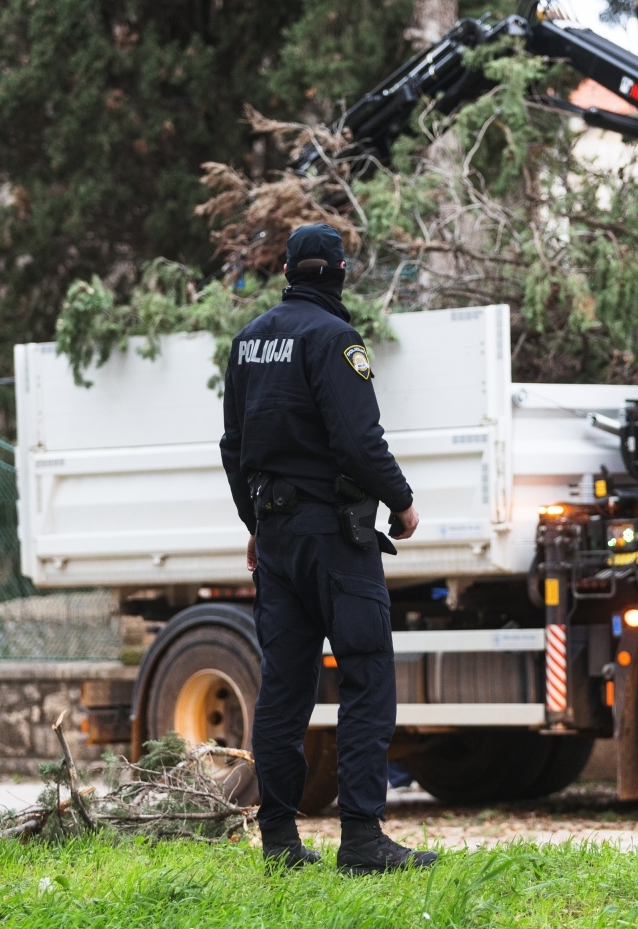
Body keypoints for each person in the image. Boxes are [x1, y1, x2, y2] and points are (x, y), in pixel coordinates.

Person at [219, 223, 436, 874]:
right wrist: (401, 501)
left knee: (284, 690)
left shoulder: (248, 342)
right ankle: (363, 840)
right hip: (335, 539)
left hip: (277, 540)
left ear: (287, 271)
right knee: (366, 675)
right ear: (340, 272)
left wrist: (255, 523)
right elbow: (358, 441)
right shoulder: (335, 338)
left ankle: (279, 843)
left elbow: (233, 447)